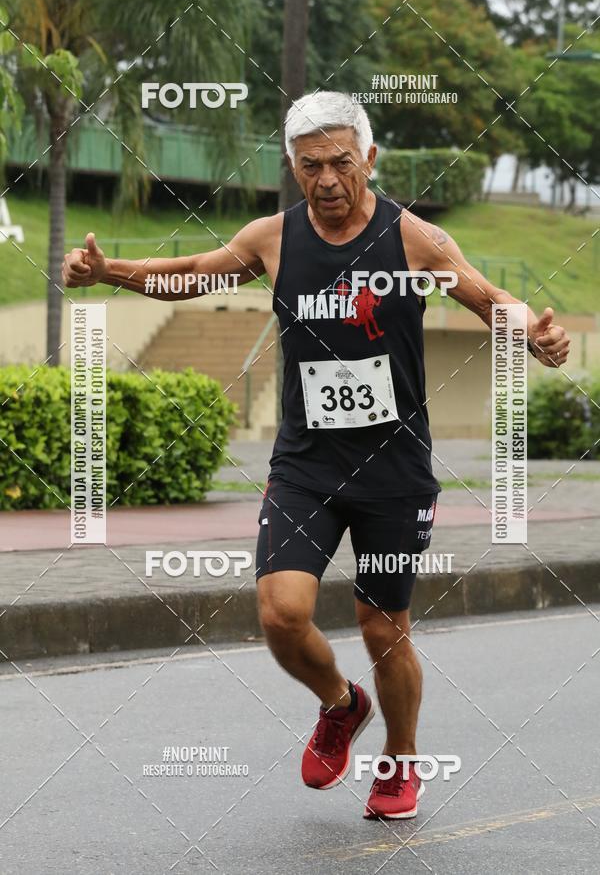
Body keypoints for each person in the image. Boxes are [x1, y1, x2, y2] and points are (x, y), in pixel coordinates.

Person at [62, 91, 571, 819]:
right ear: (293, 170)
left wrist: (534, 336)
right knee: (281, 612)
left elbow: (490, 299)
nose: (327, 180)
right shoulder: (273, 239)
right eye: (310, 167)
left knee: (380, 626)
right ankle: (340, 703)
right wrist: (109, 273)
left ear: (368, 158)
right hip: (306, 465)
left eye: (340, 163)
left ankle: (400, 760)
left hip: (396, 469)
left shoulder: (412, 238)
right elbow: (196, 273)